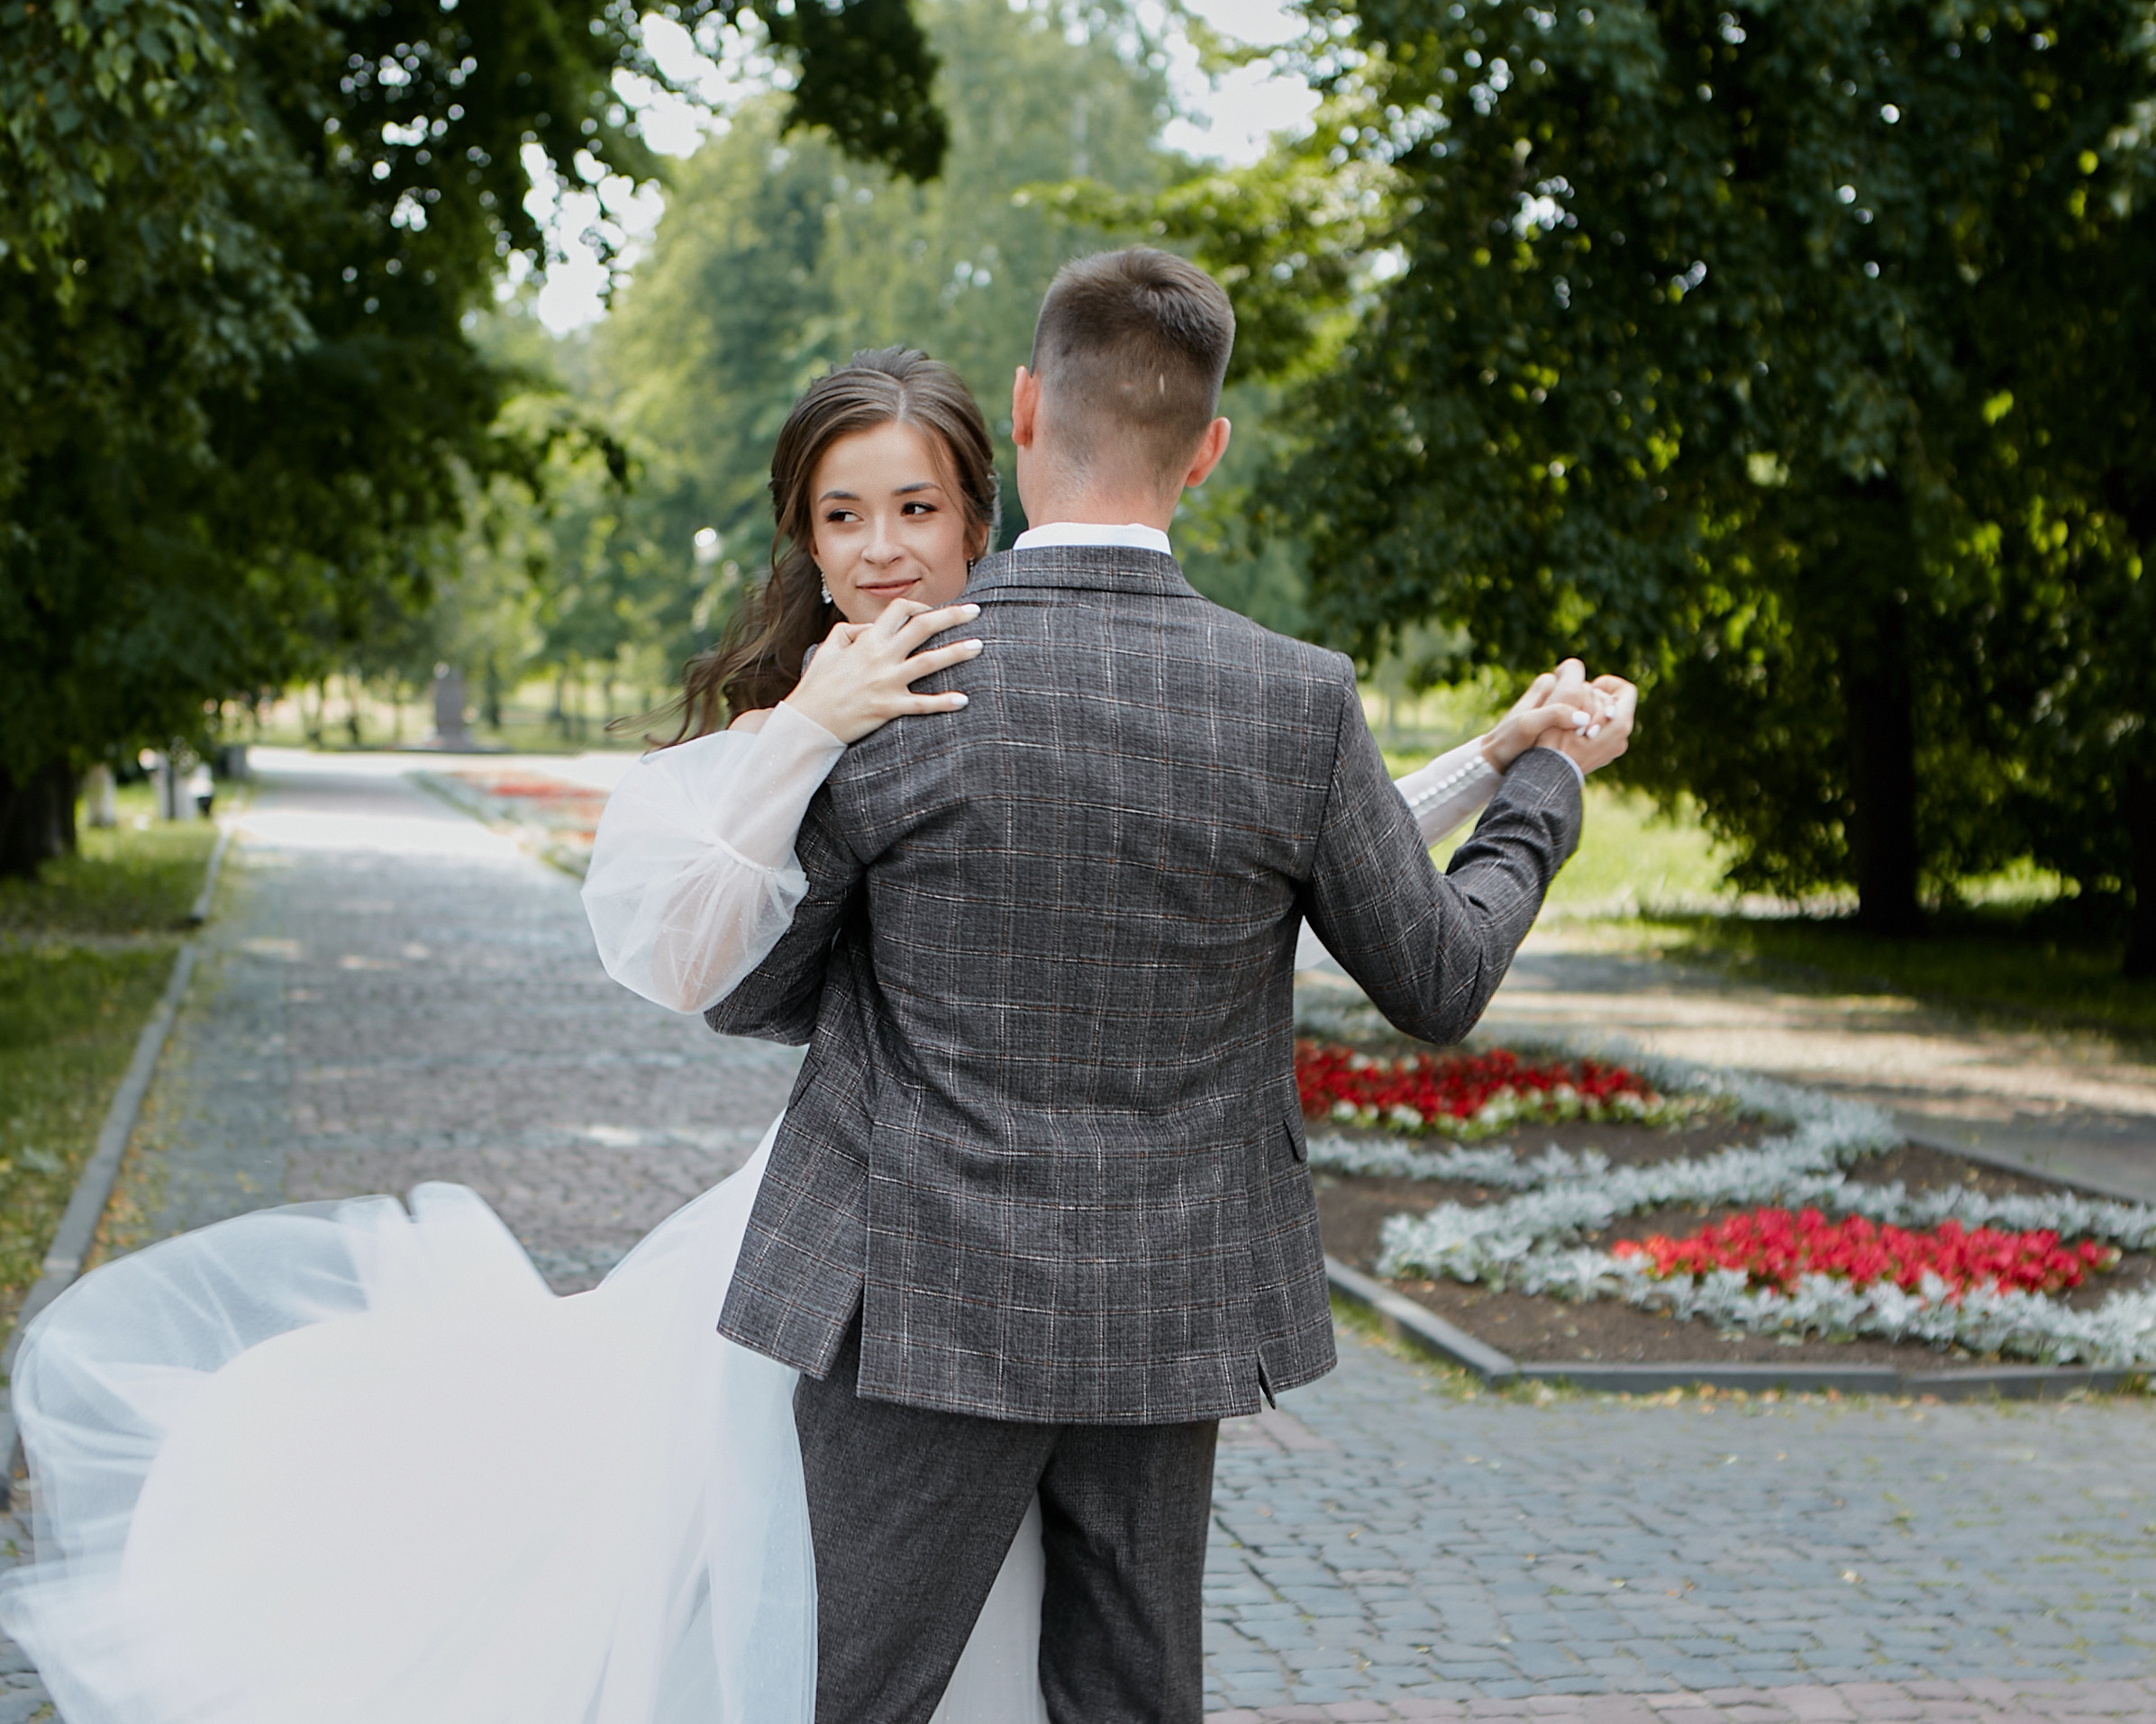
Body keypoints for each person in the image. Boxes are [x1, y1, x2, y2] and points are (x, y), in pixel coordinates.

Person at [0, 324, 1625, 1724]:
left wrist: (1479, 766)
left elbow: (1212, 850)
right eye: (842, 517)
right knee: (771, 1628)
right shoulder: (850, 714)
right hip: (888, 1257)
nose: (881, 546)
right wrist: (800, 733)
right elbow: (700, 965)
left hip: (918, 1251)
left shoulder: (989, 688)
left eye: (914, 507)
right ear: (802, 536)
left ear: (988, 496)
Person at [695, 253, 1631, 1724]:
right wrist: (1545, 783)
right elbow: (1438, 976)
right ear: (1207, 449)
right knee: (1134, 1699)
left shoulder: (895, 673)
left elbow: (750, 994)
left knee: (861, 1698)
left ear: (1020, 411)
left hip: (915, 1296)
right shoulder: (1293, 698)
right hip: (1164, 1305)